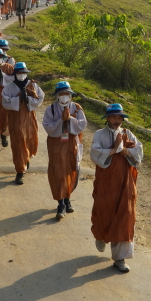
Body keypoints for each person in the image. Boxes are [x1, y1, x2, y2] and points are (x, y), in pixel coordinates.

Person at [90, 103, 142, 273]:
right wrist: (113, 150)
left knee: (125, 215)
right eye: (113, 117)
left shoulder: (128, 134)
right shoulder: (100, 134)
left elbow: (139, 153)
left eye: (119, 117)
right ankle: (101, 236)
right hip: (106, 183)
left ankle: (119, 258)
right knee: (104, 211)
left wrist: (126, 151)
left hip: (125, 183)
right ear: (107, 118)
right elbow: (94, 154)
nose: (117, 120)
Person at [42, 81, 87, 220]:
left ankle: (67, 197)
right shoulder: (52, 109)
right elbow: (48, 127)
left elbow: (82, 125)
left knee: (71, 170)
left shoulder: (77, 108)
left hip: (71, 144)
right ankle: (60, 203)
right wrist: (61, 121)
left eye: (66, 94)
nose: (64, 96)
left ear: (71, 95)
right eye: (61, 94)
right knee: (58, 171)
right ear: (57, 96)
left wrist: (70, 119)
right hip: (56, 145)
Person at [1, 62, 44, 184]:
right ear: (15, 74)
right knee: (18, 144)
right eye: (19, 73)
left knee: (31, 140)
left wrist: (29, 98)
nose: (22, 75)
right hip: (16, 119)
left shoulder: (33, 86)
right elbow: (5, 102)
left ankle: (27, 157)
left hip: (30, 118)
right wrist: (18, 98)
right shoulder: (9, 87)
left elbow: (40, 99)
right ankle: (20, 171)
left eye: (24, 73)